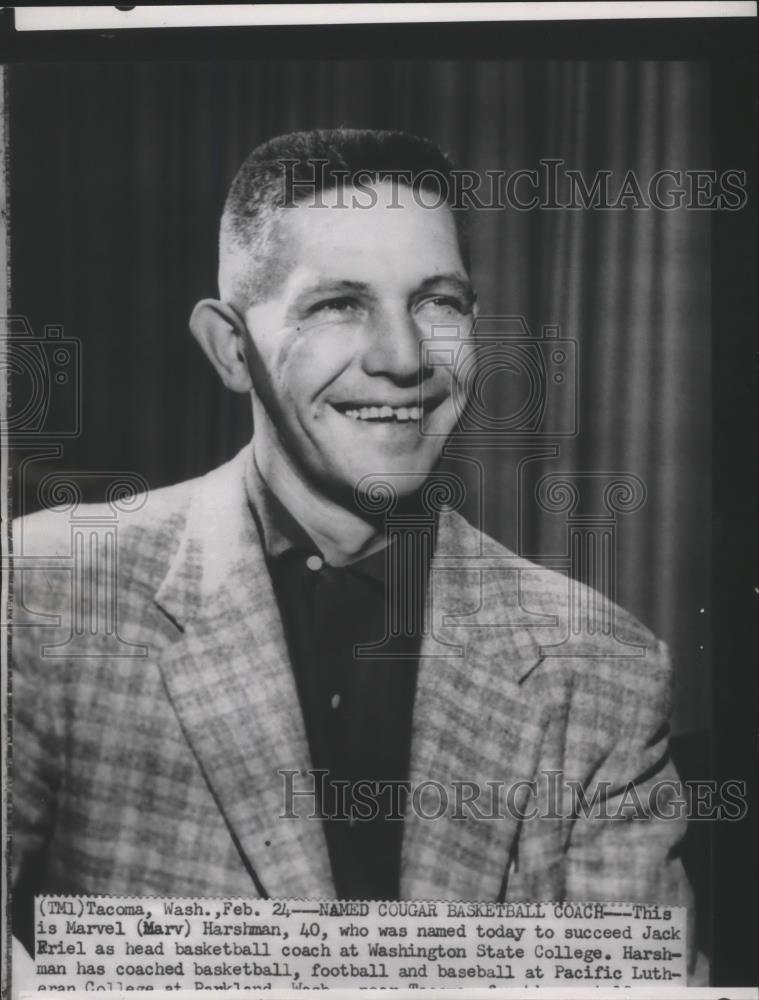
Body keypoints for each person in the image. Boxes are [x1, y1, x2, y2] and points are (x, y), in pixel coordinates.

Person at [12, 128, 700, 976]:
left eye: (437, 302)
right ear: (232, 348)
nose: (403, 358)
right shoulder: (42, 597)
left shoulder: (602, 669)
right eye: (338, 304)